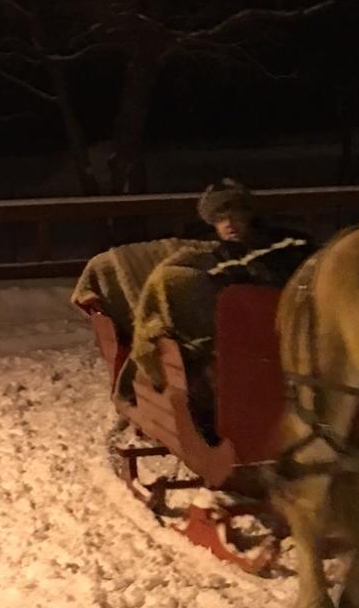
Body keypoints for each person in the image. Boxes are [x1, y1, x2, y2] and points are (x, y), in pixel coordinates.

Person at [118, 181, 313, 434]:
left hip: (300, 323)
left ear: (248, 213)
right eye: (219, 218)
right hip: (257, 336)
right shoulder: (220, 259)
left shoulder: (290, 241)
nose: (228, 223)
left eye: (234, 214)